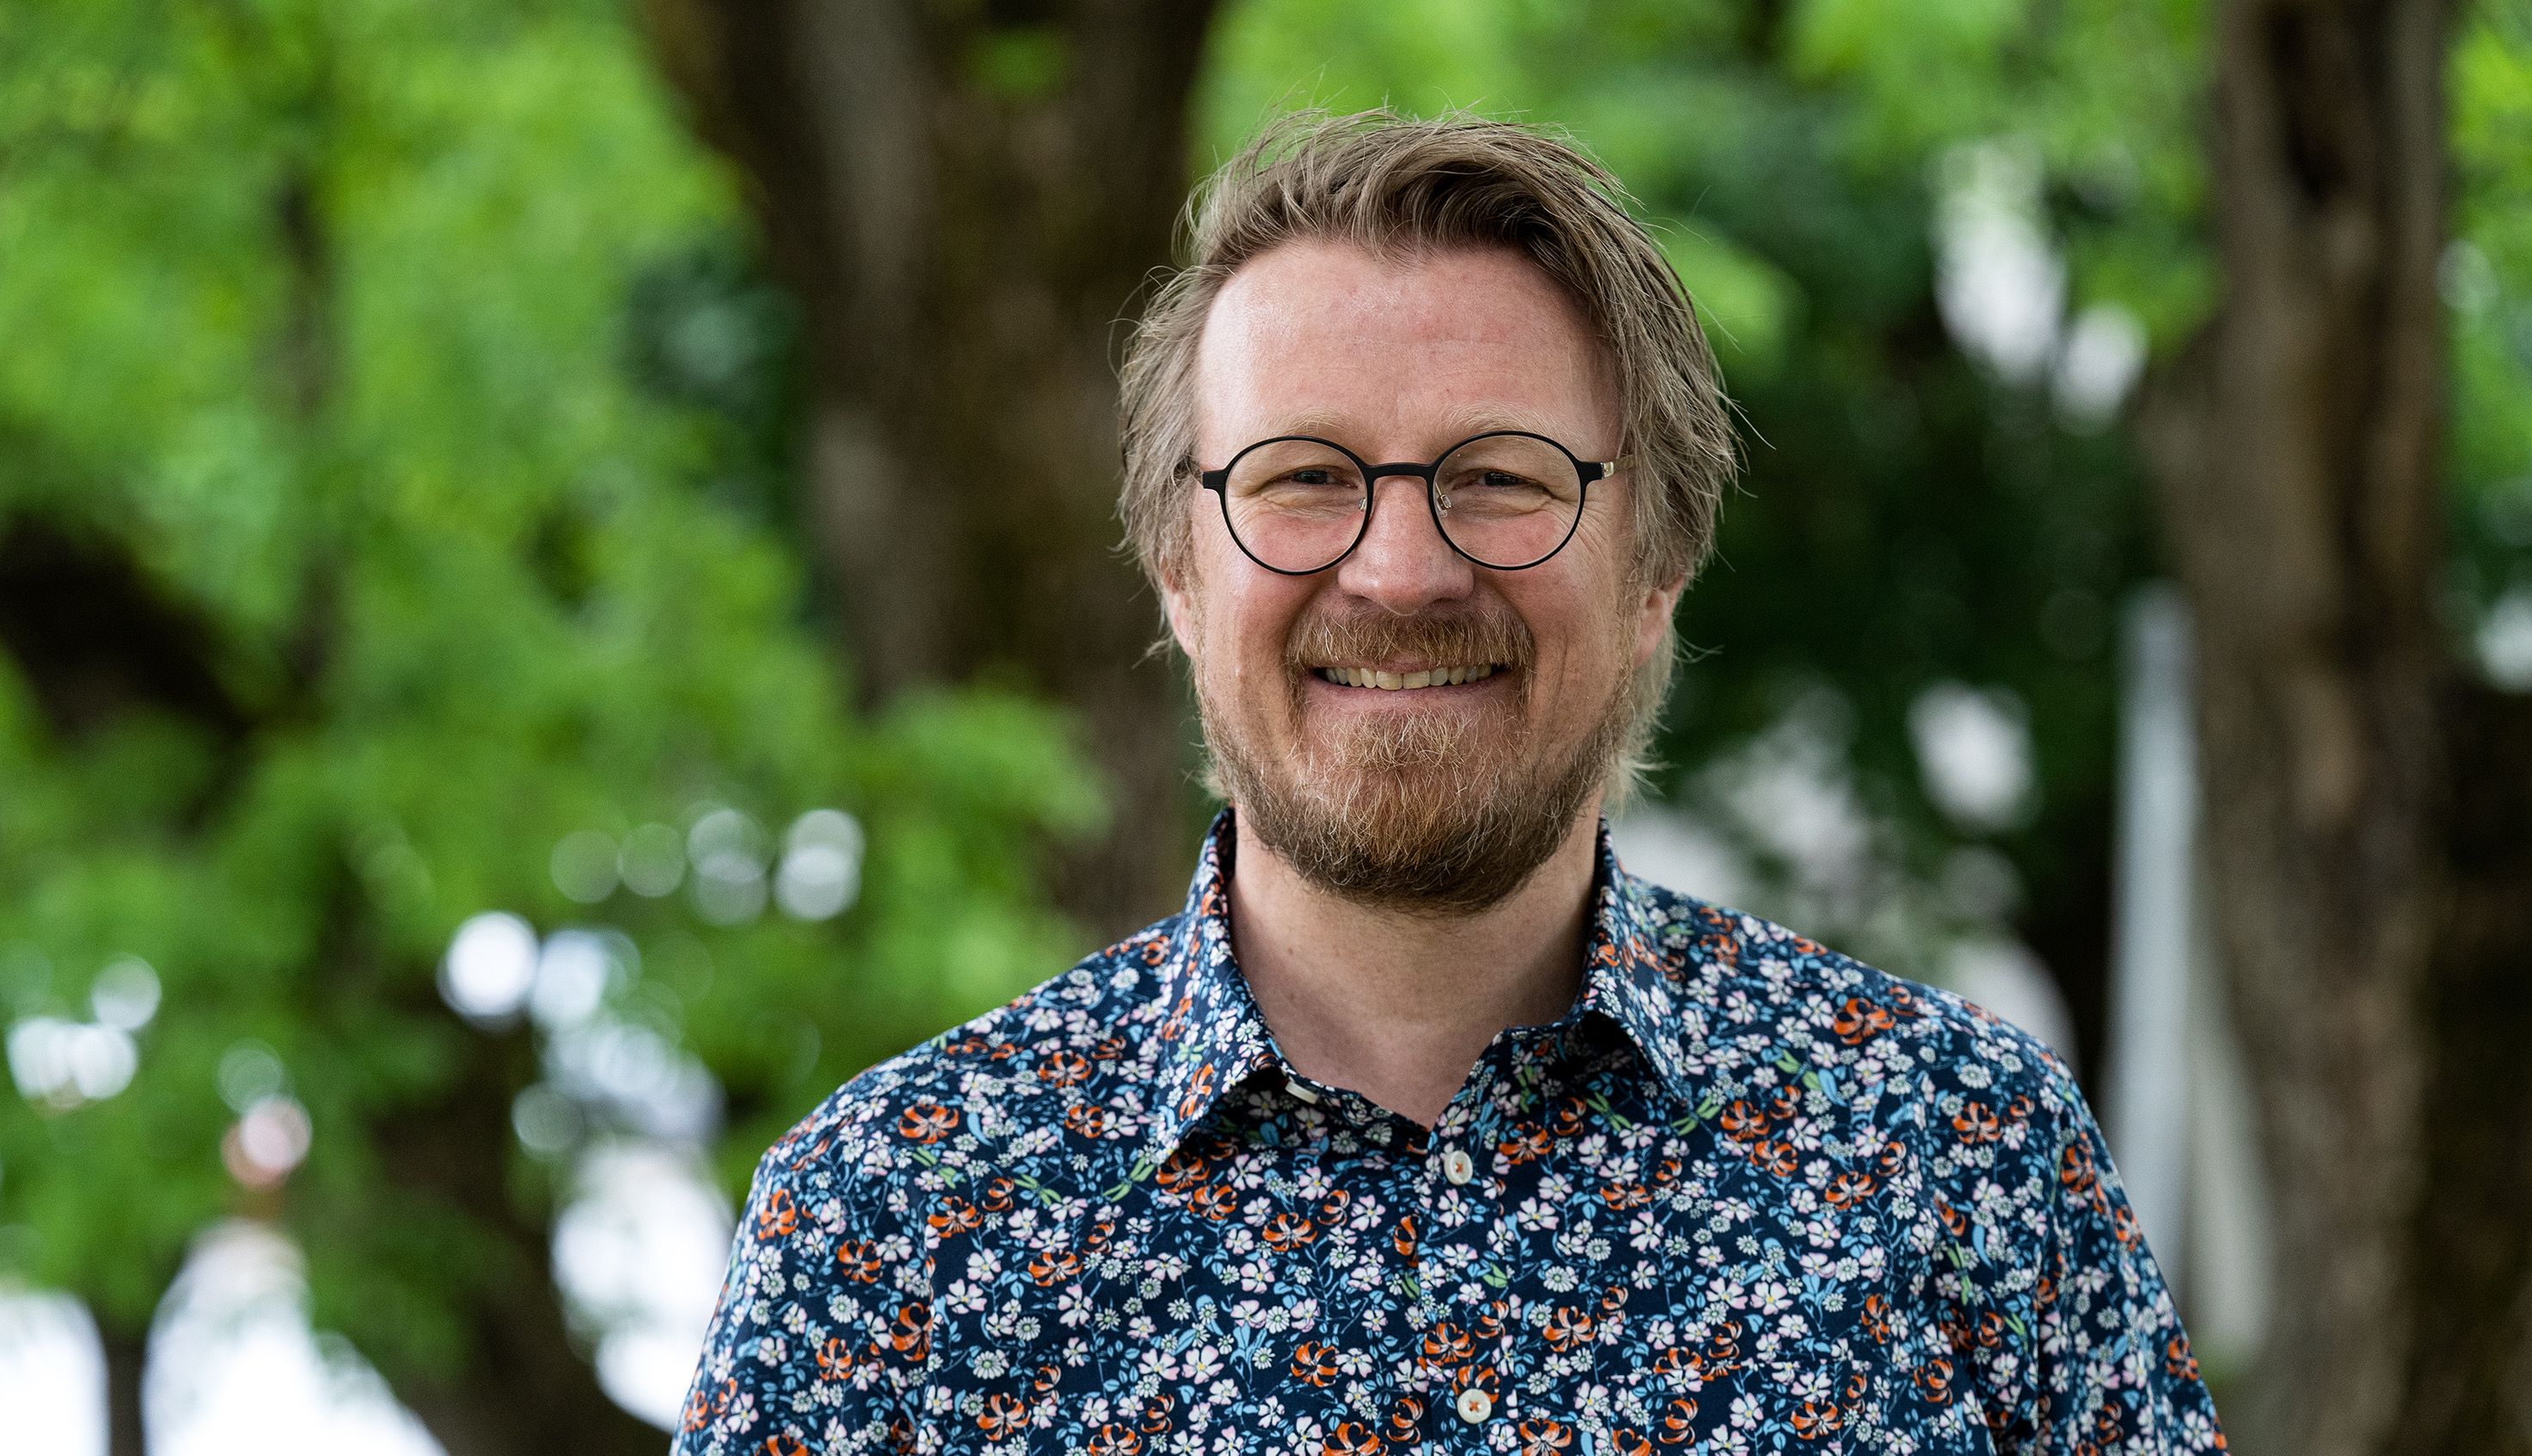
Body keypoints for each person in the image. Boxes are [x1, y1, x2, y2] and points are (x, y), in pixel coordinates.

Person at [674, 110, 2224, 1456]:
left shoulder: (1959, 1162)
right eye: (1303, 479)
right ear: (1177, 571)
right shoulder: (889, 1229)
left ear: (1657, 567)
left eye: (1499, 478)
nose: (1403, 571)